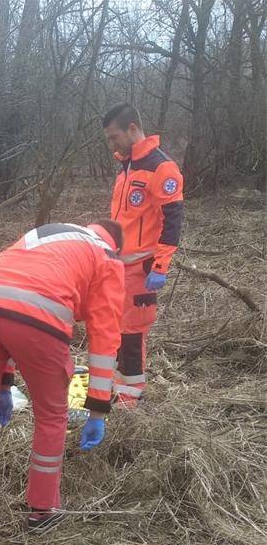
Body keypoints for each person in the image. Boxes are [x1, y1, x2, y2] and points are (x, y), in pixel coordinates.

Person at [0, 220, 125, 545]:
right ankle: (41, 511)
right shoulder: (107, 256)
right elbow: (104, 338)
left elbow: (13, 295)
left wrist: (4, 382)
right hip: (41, 320)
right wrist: (99, 407)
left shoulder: (48, 234)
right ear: (117, 245)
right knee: (51, 416)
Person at [103, 104, 184, 409]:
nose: (112, 144)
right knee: (115, 330)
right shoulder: (126, 165)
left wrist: (161, 265)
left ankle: (130, 400)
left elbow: (172, 220)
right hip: (118, 265)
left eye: (115, 137)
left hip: (143, 268)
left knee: (133, 334)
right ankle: (116, 386)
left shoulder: (162, 168)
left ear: (133, 129)